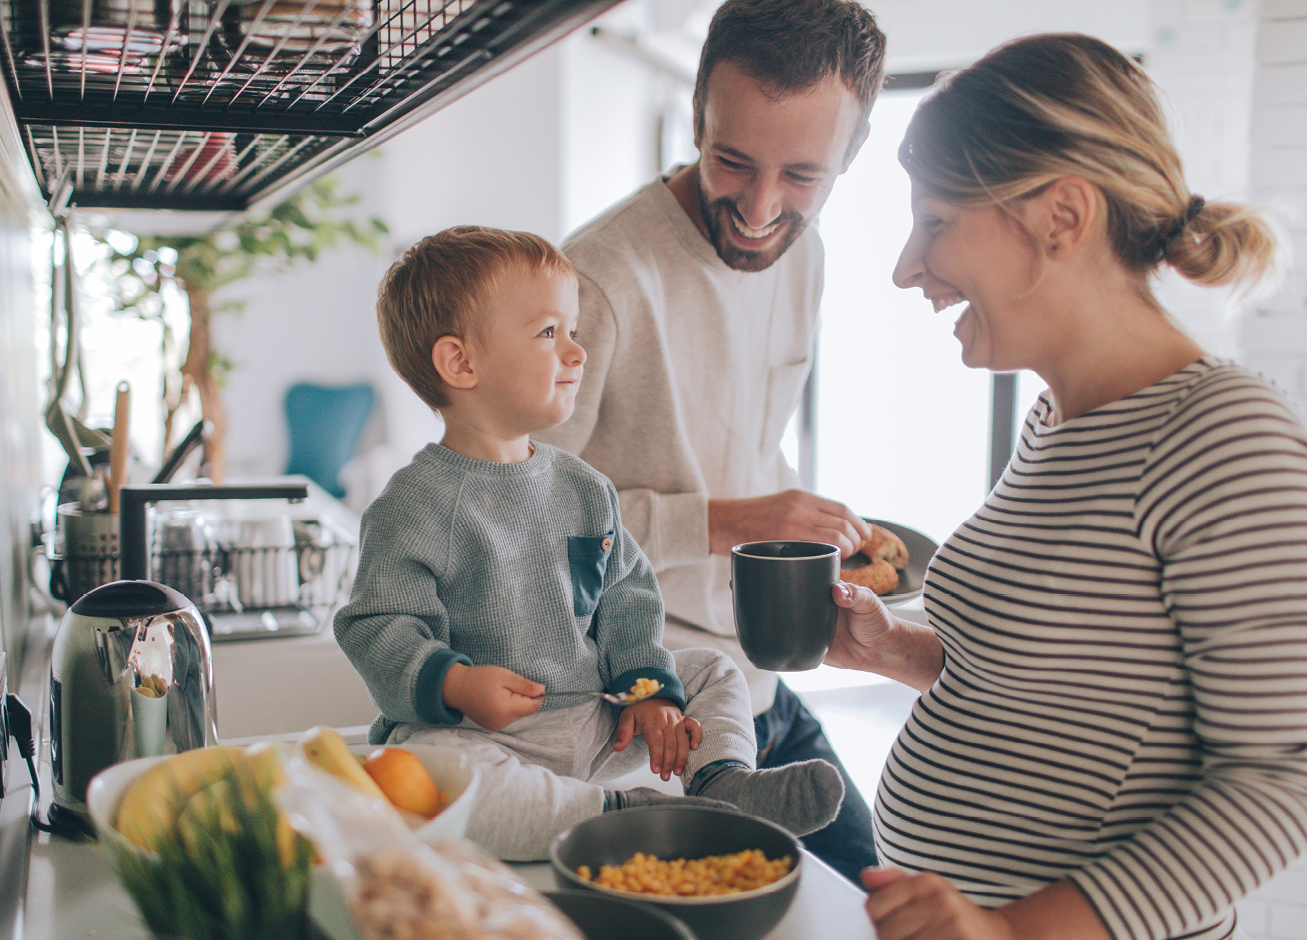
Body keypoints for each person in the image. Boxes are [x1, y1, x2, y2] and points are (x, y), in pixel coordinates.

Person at [821, 33, 1307, 940]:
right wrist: (902, 652)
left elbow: (1279, 779)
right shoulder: (1061, 421)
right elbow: (1071, 691)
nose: (905, 268)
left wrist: (1014, 930)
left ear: (1062, 217)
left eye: (935, 223)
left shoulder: (1222, 437)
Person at [335, 226, 842, 861]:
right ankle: (630, 816)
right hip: (482, 736)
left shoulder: (583, 486)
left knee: (714, 669)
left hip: (592, 715)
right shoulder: (413, 505)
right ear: (461, 363)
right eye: (550, 333)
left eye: (573, 331)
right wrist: (458, 685)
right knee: (431, 773)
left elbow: (627, 597)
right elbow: (376, 625)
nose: (578, 352)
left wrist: (647, 688)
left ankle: (723, 781)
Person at [536, 0, 887, 884]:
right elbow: (528, 525)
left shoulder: (802, 256)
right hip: (651, 704)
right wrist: (729, 520)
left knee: (880, 889)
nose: (761, 209)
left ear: (854, 153)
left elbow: (741, 439)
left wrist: (802, 533)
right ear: (695, 115)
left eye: (803, 175)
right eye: (732, 160)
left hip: (758, 677)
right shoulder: (598, 278)